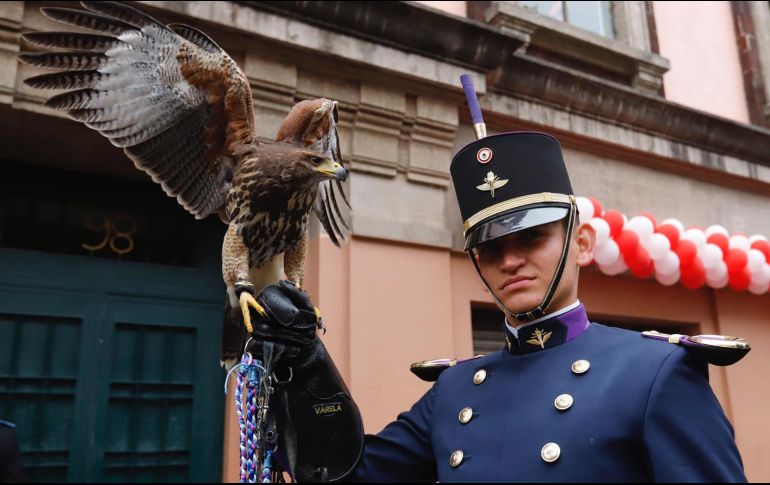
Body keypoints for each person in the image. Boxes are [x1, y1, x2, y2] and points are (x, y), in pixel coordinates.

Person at [244, 131, 749, 482]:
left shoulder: (657, 374)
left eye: (531, 237)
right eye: (489, 247)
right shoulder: (455, 389)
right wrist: (303, 365)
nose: (510, 260)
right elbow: (348, 476)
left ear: (583, 242)